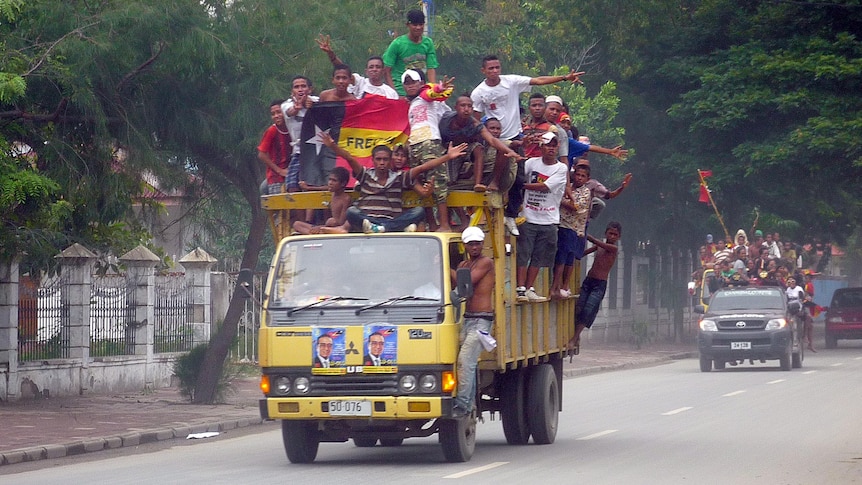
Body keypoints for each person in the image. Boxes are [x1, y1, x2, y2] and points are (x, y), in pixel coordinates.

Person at [470, 55, 584, 236]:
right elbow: (475, 120)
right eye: (490, 68)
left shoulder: (512, 82)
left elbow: (539, 80)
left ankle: (511, 215)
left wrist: (564, 78)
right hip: (494, 138)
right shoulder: (478, 92)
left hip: (516, 136)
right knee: (491, 172)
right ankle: (491, 189)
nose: (494, 71)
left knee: (520, 179)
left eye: (497, 67)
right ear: (483, 70)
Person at [317, 131, 467, 233]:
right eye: (378, 159)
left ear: (390, 161)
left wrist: (448, 157)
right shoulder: (364, 174)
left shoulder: (399, 177)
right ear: (373, 161)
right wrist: (332, 146)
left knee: (419, 211)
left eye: (385, 159)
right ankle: (389, 228)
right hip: (367, 219)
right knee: (352, 212)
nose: (382, 163)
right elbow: (349, 158)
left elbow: (424, 167)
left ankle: (382, 228)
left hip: (390, 219)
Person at [515, 132, 568, 302]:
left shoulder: (561, 168)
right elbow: (519, 172)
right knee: (524, 253)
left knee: (538, 256)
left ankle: (529, 287)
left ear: (557, 147)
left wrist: (522, 186)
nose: (551, 148)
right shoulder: (531, 163)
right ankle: (521, 288)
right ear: (541, 147)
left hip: (549, 219)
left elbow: (545, 187)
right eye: (547, 145)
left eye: (554, 145)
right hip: (528, 216)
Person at [403, 69, 456, 231]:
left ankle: (445, 224)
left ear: (420, 83)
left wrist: (439, 88)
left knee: (438, 182)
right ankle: (431, 223)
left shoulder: (425, 95)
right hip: (414, 145)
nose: (411, 86)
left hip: (429, 142)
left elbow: (432, 94)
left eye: (414, 82)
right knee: (420, 184)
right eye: (407, 83)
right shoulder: (410, 104)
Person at [450, 226, 495, 417]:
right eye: (471, 244)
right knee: (467, 363)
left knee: (465, 361)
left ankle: (462, 405)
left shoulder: (486, 262)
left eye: (477, 243)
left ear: (482, 244)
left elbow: (467, 282)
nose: (474, 247)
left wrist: (445, 267)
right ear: (465, 246)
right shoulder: (462, 265)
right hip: (467, 319)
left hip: (481, 321)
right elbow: (457, 284)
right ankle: (469, 404)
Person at [439, 94, 520, 192]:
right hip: (447, 151)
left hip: (465, 149)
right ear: (455, 108)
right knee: (450, 181)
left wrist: (509, 151)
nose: (466, 109)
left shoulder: (475, 124)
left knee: (478, 148)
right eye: (463, 105)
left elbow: (492, 140)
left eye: (469, 106)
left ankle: (478, 184)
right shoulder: (444, 119)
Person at [568, 221, 622, 351]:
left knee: (587, 311)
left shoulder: (613, 249)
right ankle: (576, 335)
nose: (612, 236)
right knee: (579, 308)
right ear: (606, 233)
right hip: (588, 281)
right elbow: (582, 254)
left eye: (615, 235)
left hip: (599, 285)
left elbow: (598, 243)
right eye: (610, 233)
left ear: (619, 237)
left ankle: (574, 338)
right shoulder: (600, 247)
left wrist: (587, 235)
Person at [550, 164, 591, 299]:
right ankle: (560, 286)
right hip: (559, 223)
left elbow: (575, 206)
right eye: (577, 174)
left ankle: (557, 287)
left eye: (582, 176)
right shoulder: (567, 187)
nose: (579, 178)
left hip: (572, 227)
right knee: (563, 256)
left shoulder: (585, 192)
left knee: (566, 256)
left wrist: (559, 200)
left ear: (587, 179)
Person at [315, 34, 399, 100]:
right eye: (371, 67)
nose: (374, 69)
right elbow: (342, 69)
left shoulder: (391, 93)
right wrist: (330, 53)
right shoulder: (360, 82)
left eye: (378, 67)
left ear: (383, 71)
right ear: (366, 71)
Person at [383, 9, 438, 96]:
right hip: (401, 93)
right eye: (415, 25)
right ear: (408, 25)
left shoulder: (428, 43)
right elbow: (386, 70)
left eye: (421, 24)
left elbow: (431, 68)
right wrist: (394, 94)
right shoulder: (397, 44)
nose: (418, 27)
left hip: (421, 93)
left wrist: (434, 90)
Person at [281, 76, 319, 193]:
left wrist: (314, 107)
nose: (300, 89)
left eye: (303, 86)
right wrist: (297, 107)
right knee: (292, 186)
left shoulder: (318, 101)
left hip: (318, 152)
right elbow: (290, 112)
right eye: (297, 87)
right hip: (298, 152)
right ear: (292, 91)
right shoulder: (286, 105)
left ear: (310, 89)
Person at [292, 167, 352, 235]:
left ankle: (314, 234)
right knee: (296, 224)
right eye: (329, 179)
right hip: (325, 227)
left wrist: (323, 227)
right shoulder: (333, 194)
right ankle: (314, 234)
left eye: (334, 180)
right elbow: (325, 188)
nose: (330, 183)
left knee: (331, 221)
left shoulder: (346, 199)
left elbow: (341, 223)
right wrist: (308, 188)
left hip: (335, 229)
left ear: (343, 184)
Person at [257, 99, 291, 194]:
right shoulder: (272, 131)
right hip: (276, 177)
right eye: (273, 114)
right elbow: (261, 154)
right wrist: (279, 171)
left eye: (279, 112)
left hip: (293, 172)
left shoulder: (293, 127)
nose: (276, 116)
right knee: (281, 205)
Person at [785, 276, 816, 352]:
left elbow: (802, 300)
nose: (791, 283)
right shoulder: (786, 290)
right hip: (789, 311)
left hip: (799, 309)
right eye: (789, 281)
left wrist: (801, 308)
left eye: (792, 281)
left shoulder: (799, 289)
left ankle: (805, 336)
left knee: (808, 319)